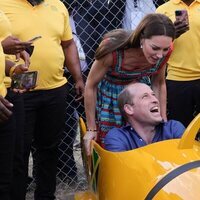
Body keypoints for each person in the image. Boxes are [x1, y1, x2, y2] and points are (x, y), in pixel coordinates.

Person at [0, 1, 85, 200]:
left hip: (55, 89)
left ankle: (46, 196)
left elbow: (68, 43)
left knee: (49, 148)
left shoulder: (58, 6)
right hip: (18, 90)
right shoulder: (4, 4)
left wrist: (78, 77)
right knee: (18, 154)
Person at [84, 13, 176, 155]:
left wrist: (162, 120)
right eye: (155, 48)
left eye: (165, 49)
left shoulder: (164, 52)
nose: (160, 55)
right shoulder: (112, 51)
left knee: (147, 142)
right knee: (113, 147)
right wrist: (91, 129)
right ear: (141, 39)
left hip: (141, 96)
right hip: (111, 99)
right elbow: (91, 85)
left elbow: (158, 83)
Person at [104, 82, 185, 152]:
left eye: (153, 95)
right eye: (145, 96)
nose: (155, 100)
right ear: (129, 109)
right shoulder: (118, 137)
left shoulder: (173, 128)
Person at [156, 0, 200, 127]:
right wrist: (172, 34)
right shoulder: (163, 10)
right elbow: (156, 45)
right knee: (180, 126)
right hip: (177, 77)